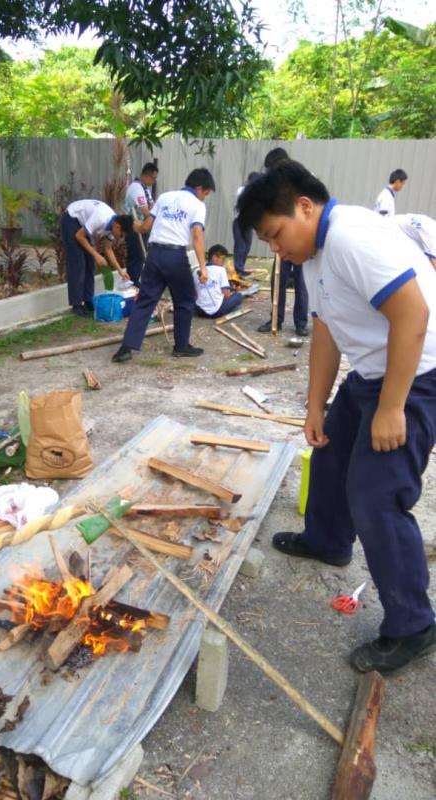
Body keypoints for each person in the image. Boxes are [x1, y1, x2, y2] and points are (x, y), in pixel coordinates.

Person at [237, 160, 436, 674]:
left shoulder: (351, 237)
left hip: (417, 375)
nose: (276, 249)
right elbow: (326, 330)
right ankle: (327, 541)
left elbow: (413, 314)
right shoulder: (314, 253)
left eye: (276, 235)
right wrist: (315, 405)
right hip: (371, 374)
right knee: (328, 455)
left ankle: (414, 624)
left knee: (376, 494)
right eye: (268, 242)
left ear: (305, 207)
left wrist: (392, 407)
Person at [111, 168, 215, 363]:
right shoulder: (197, 205)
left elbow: (145, 227)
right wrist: (203, 267)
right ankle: (181, 346)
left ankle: (126, 347)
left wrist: (133, 226)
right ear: (200, 188)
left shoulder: (165, 197)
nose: (205, 198)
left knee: (145, 301)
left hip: (154, 254)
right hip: (175, 256)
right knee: (185, 300)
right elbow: (197, 235)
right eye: (206, 193)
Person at [256, 148, 308, 336]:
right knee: (278, 279)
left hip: (301, 240)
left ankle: (301, 323)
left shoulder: (302, 179)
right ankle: (276, 319)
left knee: (302, 281)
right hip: (283, 240)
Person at [61, 199, 133, 316]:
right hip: (71, 218)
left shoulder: (112, 226)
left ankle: (88, 300)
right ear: (118, 227)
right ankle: (76, 304)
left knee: (90, 262)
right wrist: (97, 255)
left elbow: (108, 249)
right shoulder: (101, 218)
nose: (120, 238)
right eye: (121, 235)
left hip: (82, 224)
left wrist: (120, 271)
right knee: (78, 262)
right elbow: (79, 236)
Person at [124, 163, 158, 286]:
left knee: (140, 258)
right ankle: (133, 284)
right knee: (136, 258)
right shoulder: (136, 188)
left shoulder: (145, 190)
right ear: (145, 175)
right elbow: (145, 211)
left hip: (142, 228)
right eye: (153, 178)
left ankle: (137, 282)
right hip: (134, 227)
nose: (154, 181)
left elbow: (153, 208)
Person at [193, 244, 243, 318]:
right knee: (239, 296)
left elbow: (194, 293)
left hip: (200, 311)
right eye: (222, 259)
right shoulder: (220, 270)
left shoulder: (195, 271)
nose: (223, 262)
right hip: (217, 312)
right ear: (214, 257)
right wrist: (231, 292)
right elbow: (226, 294)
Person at [232, 172, 260, 277]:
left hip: (249, 222)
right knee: (240, 247)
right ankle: (238, 269)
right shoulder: (242, 190)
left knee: (247, 247)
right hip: (239, 221)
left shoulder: (256, 192)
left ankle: (241, 268)